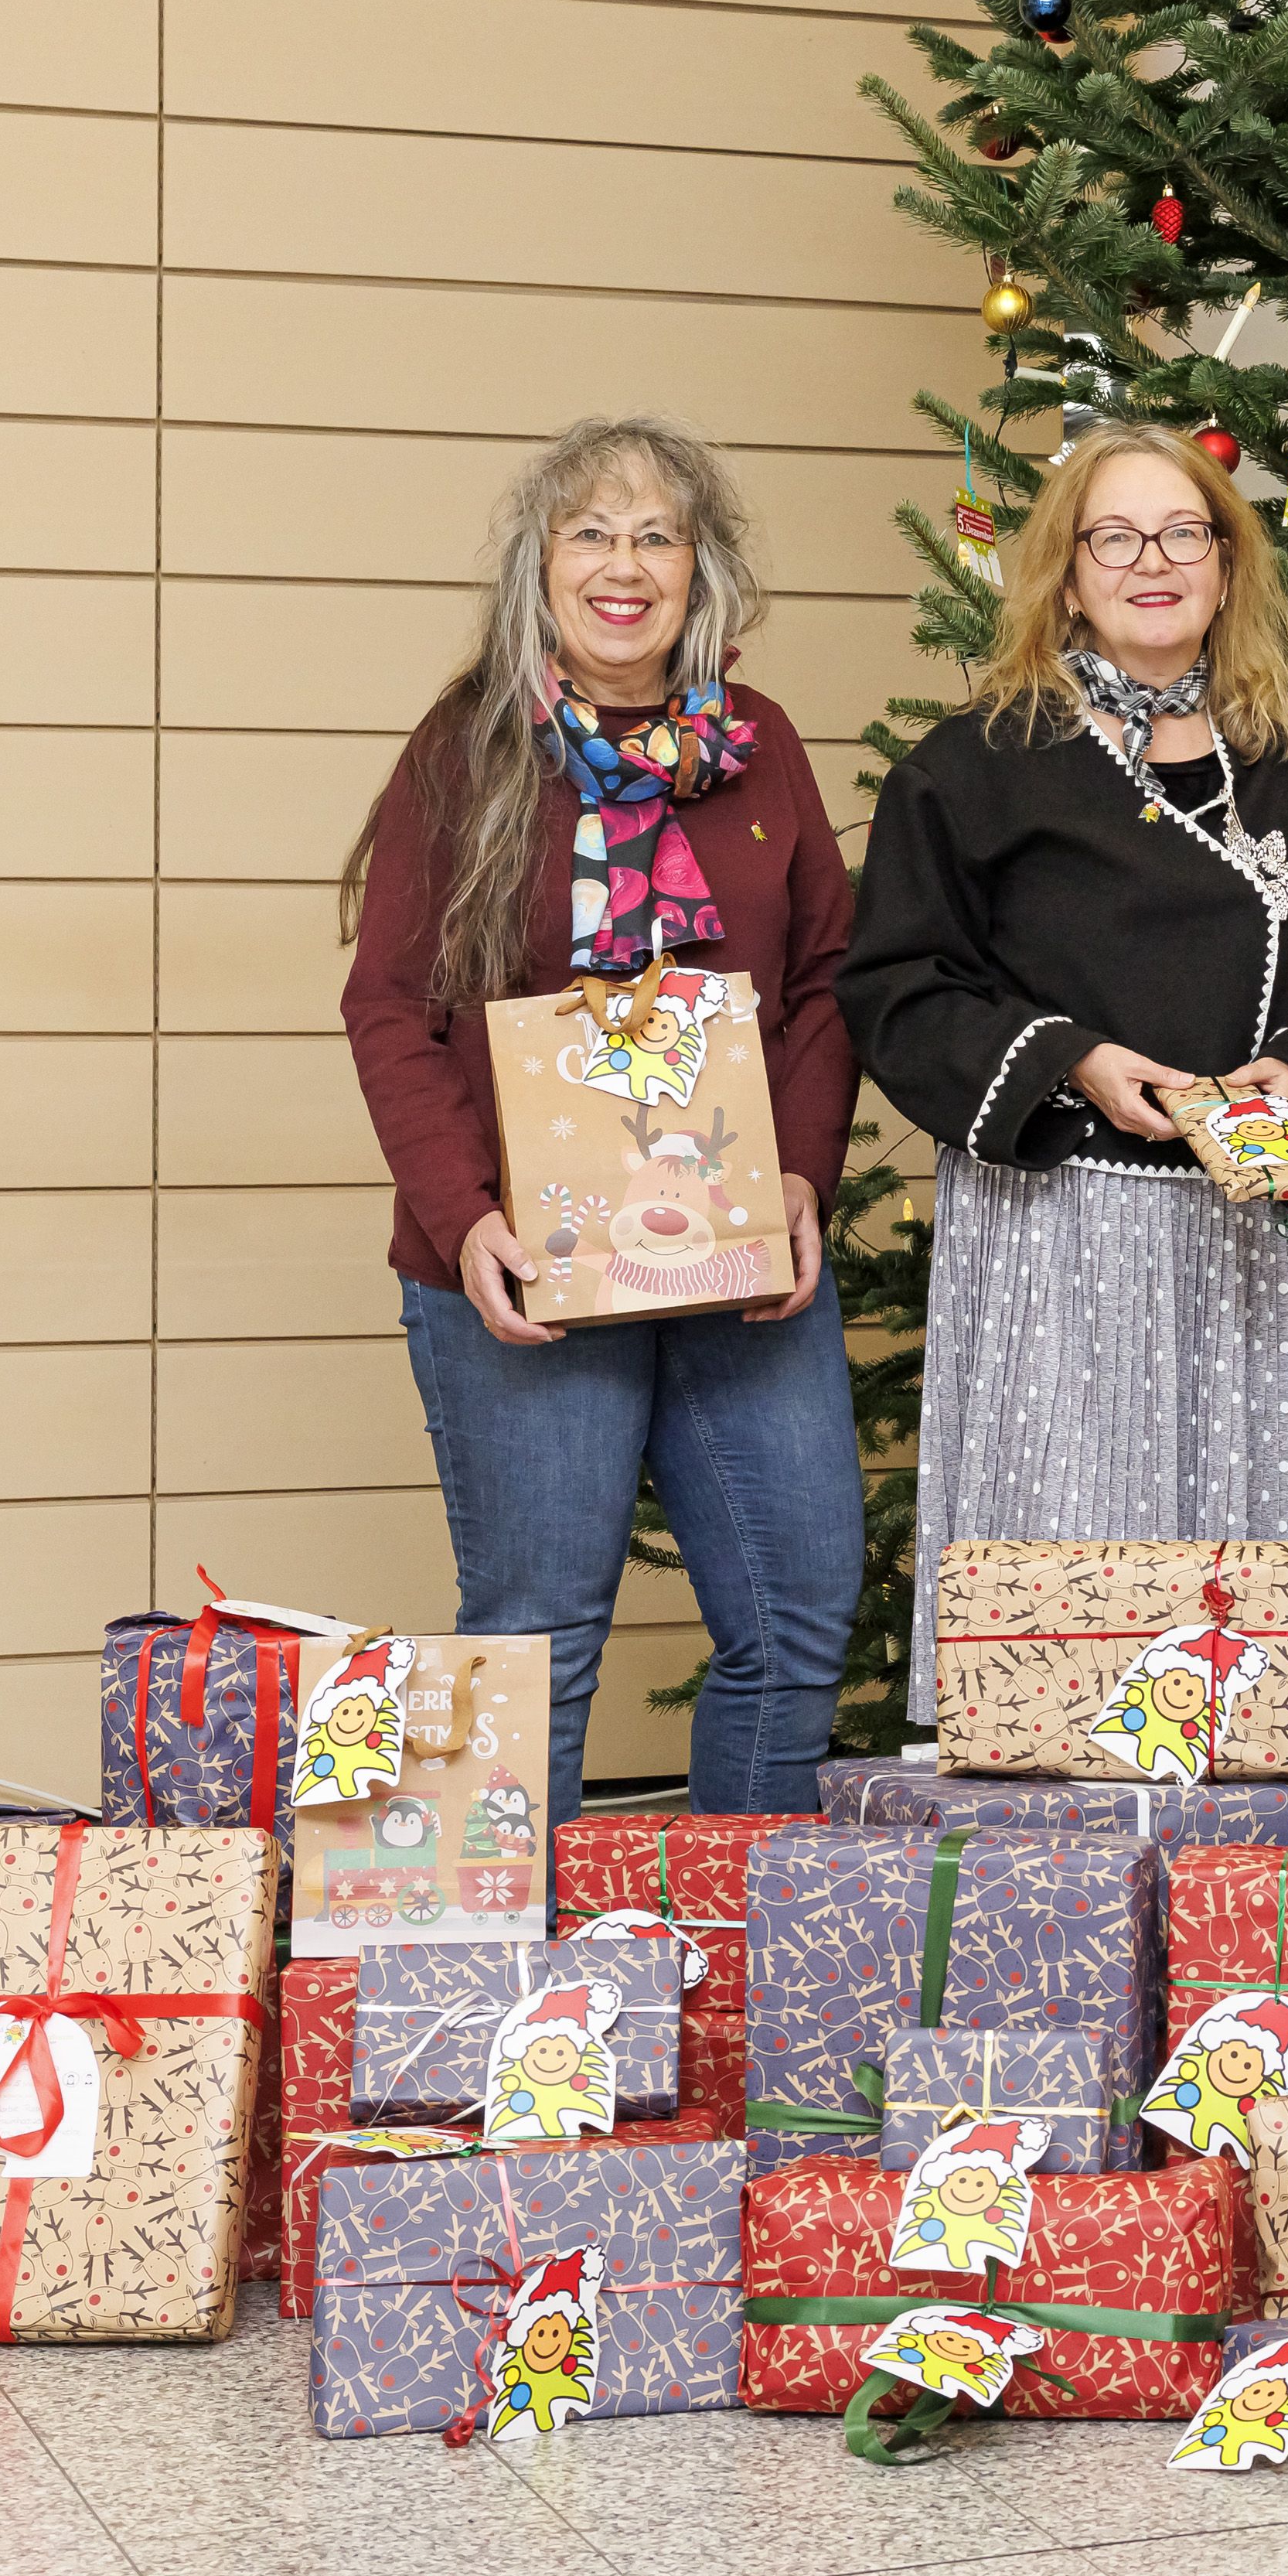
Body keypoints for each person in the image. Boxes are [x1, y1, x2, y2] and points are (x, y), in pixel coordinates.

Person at [840, 420, 1288, 1722]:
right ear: (1067, 571)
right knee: (1072, 1603)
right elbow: (897, 987)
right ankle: (1062, 1883)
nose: (1152, 562)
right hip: (1058, 1234)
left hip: (1245, 1238)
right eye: (1116, 537)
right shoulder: (980, 766)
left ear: (1225, 566)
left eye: (1184, 534)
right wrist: (1073, 1059)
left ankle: (1227, 1865)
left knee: (1230, 1619)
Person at [339, 416, 862, 1821]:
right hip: (523, 1260)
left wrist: (803, 1179)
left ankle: (737, 1971)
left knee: (798, 1613)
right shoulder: (466, 752)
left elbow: (822, 983)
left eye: (658, 535)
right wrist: (469, 1223)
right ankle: (506, 2008)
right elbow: (388, 1006)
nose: (623, 566)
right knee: (532, 1639)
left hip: (739, 1254)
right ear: (540, 566)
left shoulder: (762, 751)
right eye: (591, 533)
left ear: (704, 572)